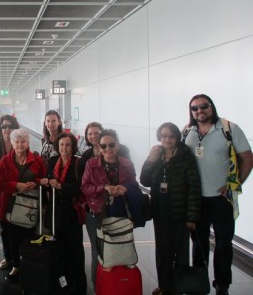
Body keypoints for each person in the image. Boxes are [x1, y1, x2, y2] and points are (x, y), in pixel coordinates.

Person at [184, 94, 253, 295]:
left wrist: (234, 183)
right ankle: (199, 280)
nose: (199, 111)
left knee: (223, 242)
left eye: (203, 106)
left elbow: (247, 159)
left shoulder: (228, 129)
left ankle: (222, 284)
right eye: (195, 108)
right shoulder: (187, 131)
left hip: (222, 199)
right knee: (198, 241)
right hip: (196, 199)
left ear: (211, 107)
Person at [140, 122, 202, 295]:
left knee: (180, 253)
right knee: (162, 252)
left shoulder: (185, 156)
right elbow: (144, 181)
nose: (167, 139)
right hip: (160, 212)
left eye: (171, 136)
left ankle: (177, 287)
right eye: (164, 135)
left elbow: (193, 187)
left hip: (180, 213)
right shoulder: (156, 155)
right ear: (159, 137)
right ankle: (164, 286)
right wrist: (149, 161)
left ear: (177, 137)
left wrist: (192, 217)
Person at [81, 129, 138, 290]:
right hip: (97, 214)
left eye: (111, 144)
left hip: (120, 213)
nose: (108, 149)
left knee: (121, 248)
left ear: (117, 146)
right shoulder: (91, 164)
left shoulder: (126, 164)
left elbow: (134, 185)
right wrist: (104, 188)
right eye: (104, 145)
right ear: (99, 147)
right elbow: (85, 187)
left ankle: (119, 287)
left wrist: (124, 188)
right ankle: (99, 287)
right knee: (98, 253)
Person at [0, 128, 45, 283]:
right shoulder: (5, 161)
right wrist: (17, 185)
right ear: (11, 143)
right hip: (10, 206)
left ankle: (29, 265)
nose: (20, 145)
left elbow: (43, 180)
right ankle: (16, 265)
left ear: (28, 142)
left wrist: (34, 183)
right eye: (17, 142)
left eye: (23, 141)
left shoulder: (37, 161)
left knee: (29, 237)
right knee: (12, 238)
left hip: (30, 206)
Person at [40, 132, 87, 295]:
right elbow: (48, 180)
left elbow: (81, 187)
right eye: (61, 145)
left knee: (75, 251)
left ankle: (79, 286)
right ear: (57, 146)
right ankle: (64, 282)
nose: (64, 148)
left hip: (72, 213)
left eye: (67, 145)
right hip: (56, 213)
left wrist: (61, 186)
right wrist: (45, 182)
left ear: (73, 146)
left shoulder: (78, 163)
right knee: (60, 251)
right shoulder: (53, 161)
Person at [0, 115, 20, 271]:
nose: (7, 129)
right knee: (3, 225)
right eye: (4, 126)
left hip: (16, 190)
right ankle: (8, 257)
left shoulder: (19, 142)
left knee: (16, 226)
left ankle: (17, 259)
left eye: (10, 126)